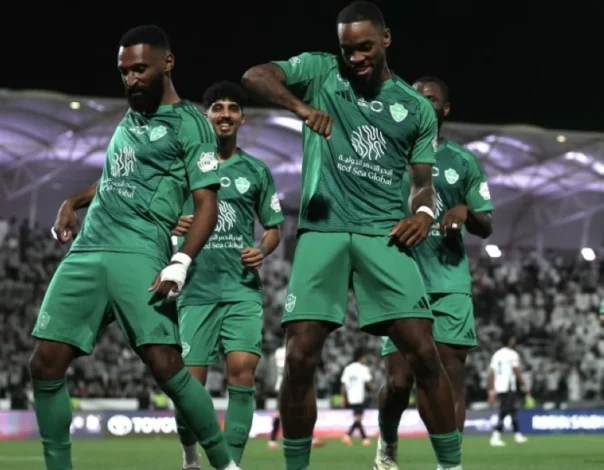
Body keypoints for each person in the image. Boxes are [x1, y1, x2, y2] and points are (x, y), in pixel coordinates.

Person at [241, 2, 463, 469]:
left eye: (365, 47)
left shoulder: (414, 107)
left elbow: (422, 182)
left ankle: (451, 465)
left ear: (386, 39)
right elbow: (255, 76)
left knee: (424, 354)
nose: (356, 58)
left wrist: (424, 213)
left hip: (384, 234)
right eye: (348, 49)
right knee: (299, 358)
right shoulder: (321, 71)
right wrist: (301, 108)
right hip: (322, 231)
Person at [28, 25, 241, 470]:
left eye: (140, 69)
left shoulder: (191, 126)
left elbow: (208, 204)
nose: (131, 79)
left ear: (168, 63)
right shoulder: (130, 119)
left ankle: (225, 465)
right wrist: (72, 202)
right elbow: (114, 177)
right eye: (124, 71)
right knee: (44, 364)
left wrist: (181, 261)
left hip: (139, 250)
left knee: (166, 366)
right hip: (86, 251)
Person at [376, 76, 494, 466]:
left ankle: (450, 464)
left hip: (449, 281)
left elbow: (486, 225)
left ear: (445, 109)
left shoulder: (463, 161)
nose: (422, 103)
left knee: (450, 379)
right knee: (398, 383)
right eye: (416, 97)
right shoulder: (386, 154)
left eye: (430, 99)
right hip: (400, 281)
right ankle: (387, 442)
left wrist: (465, 211)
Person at [171, 81, 284, 468]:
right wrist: (171, 222)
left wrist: (262, 250)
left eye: (233, 108)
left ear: (242, 118)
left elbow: (274, 227)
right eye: (217, 107)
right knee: (189, 387)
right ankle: (190, 458)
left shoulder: (256, 170)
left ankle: (231, 463)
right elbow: (156, 212)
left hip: (241, 289)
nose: (225, 114)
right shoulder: (183, 167)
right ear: (206, 116)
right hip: (195, 289)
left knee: (242, 375)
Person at [267, 345, 325, 450]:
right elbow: (285, 368)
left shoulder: (288, 350)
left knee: (301, 411)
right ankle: (272, 440)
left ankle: (311, 438)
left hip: (292, 385)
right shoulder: (283, 351)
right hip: (285, 385)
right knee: (280, 414)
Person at [488, 333, 530, 446]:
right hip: (508, 386)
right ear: (508, 340)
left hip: (499, 386)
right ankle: (496, 436)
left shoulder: (497, 354)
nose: (514, 341)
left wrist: (491, 389)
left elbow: (491, 373)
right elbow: (516, 371)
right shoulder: (512, 354)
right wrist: (524, 385)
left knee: (511, 410)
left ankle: (517, 435)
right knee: (505, 410)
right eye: (512, 339)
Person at [341, 349, 373, 447]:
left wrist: (343, 397)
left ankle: (364, 438)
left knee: (358, 418)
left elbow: (343, 385)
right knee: (358, 418)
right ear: (361, 357)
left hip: (350, 397)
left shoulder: (348, 368)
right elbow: (368, 383)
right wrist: (374, 391)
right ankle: (348, 435)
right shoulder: (363, 368)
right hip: (359, 396)